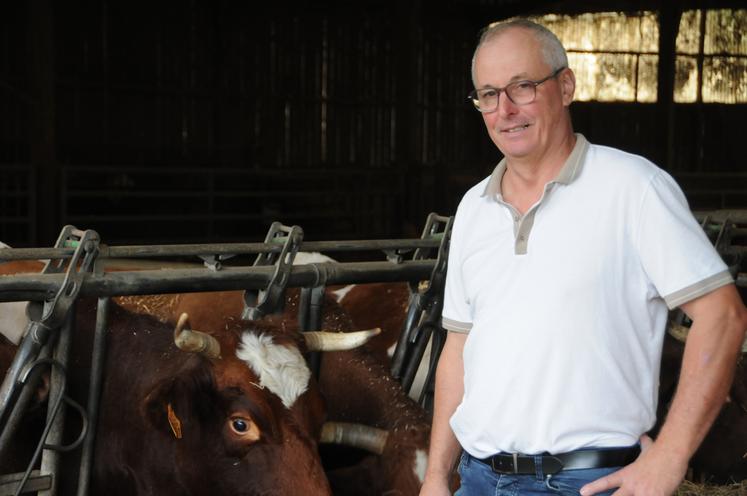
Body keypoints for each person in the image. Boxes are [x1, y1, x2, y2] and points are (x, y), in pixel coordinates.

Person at [420, 18, 747, 496]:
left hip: (587, 482)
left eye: (523, 87)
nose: (505, 109)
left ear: (566, 86)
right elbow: (458, 352)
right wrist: (434, 476)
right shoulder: (474, 207)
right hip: (477, 480)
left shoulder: (634, 188)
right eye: (488, 95)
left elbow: (723, 316)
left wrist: (670, 458)